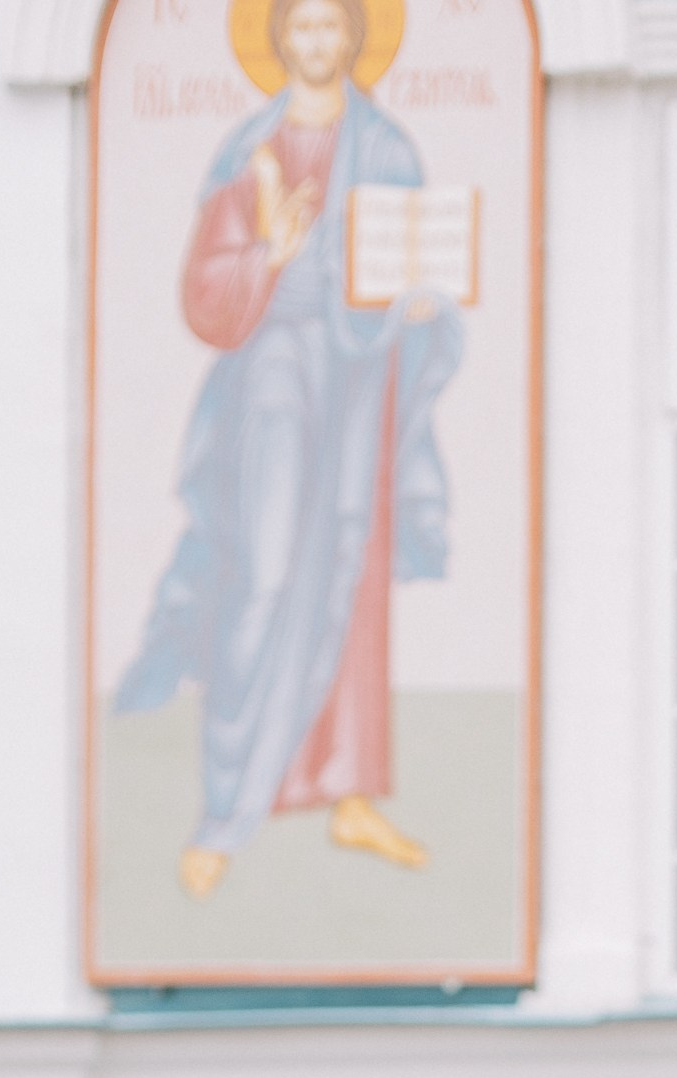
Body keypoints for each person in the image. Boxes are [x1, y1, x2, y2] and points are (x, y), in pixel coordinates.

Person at [112, 0, 461, 890]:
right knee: (262, 573)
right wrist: (271, 251)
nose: (315, 45)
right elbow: (206, 291)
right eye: (299, 30)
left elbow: (415, 265)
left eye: (329, 29)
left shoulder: (386, 150)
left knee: (350, 565)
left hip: (360, 378)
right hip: (272, 375)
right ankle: (224, 811)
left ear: (352, 38)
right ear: (279, 43)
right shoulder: (246, 152)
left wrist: (421, 305)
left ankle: (348, 793)